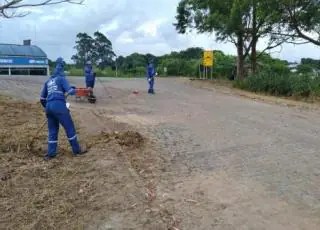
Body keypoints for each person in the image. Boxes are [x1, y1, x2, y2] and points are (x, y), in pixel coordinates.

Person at [40, 57, 87, 161]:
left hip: (49, 107)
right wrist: (73, 89)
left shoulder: (48, 82)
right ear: (62, 69)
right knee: (69, 127)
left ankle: (50, 154)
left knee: (52, 131)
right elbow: (70, 91)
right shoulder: (61, 79)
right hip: (59, 106)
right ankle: (77, 150)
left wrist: (48, 109)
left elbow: (42, 98)